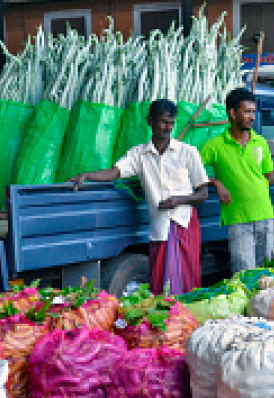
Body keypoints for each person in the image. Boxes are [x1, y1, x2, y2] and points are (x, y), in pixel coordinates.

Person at [71, 99, 209, 295]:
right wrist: (87, 176)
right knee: (161, 281)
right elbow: (114, 172)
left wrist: (178, 200)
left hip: (184, 223)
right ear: (150, 121)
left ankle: (184, 313)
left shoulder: (188, 152)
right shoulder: (139, 154)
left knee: (185, 279)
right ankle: (166, 312)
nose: (167, 128)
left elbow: (203, 192)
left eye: (171, 123)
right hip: (159, 226)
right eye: (163, 122)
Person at [200, 88, 274, 273]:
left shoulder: (261, 142)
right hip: (237, 218)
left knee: (268, 272)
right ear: (232, 113)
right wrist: (216, 183)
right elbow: (192, 170)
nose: (252, 117)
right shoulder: (215, 146)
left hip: (266, 215)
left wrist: (254, 189)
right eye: (247, 111)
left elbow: (270, 175)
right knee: (244, 273)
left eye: (253, 112)